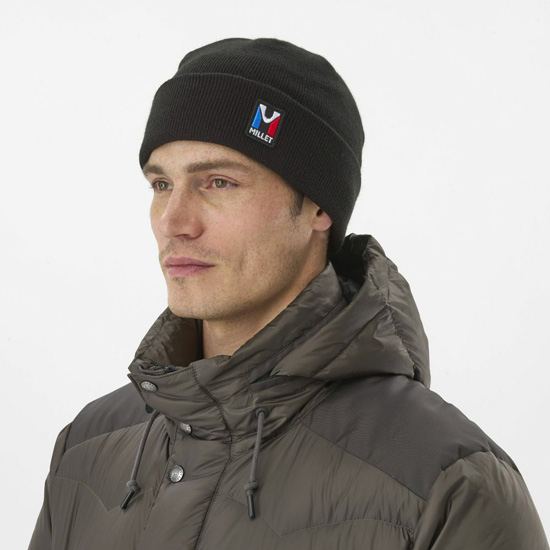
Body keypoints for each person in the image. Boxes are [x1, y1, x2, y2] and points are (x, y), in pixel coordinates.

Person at [29, 37, 548, 550]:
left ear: (319, 207)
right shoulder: (86, 450)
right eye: (161, 185)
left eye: (218, 182)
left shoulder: (444, 484)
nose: (173, 222)